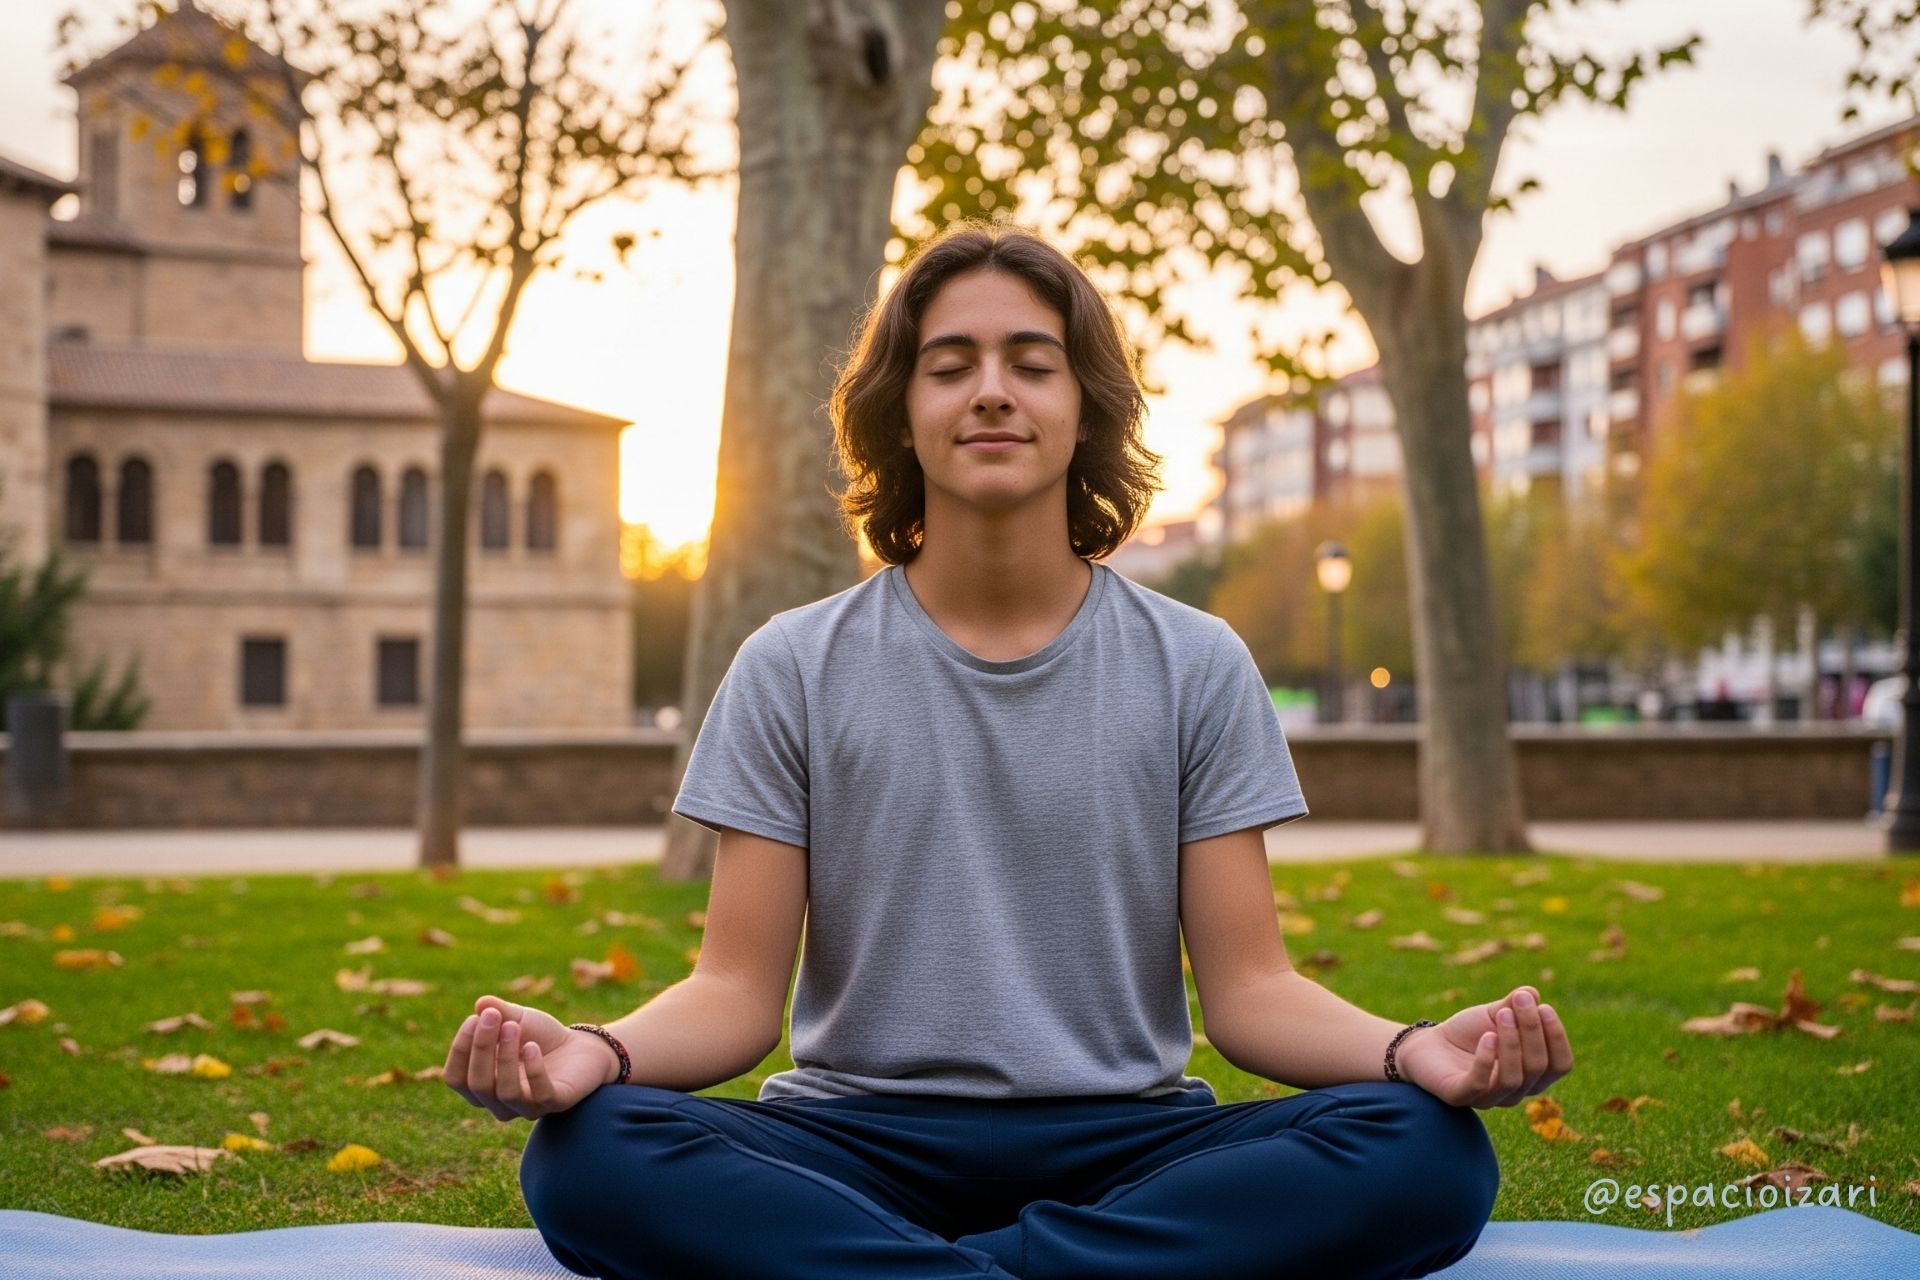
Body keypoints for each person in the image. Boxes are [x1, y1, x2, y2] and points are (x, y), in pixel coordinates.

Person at [444, 222, 1574, 1279]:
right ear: (901, 414)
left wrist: (1413, 1050)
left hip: (1129, 1144)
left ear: (1085, 411)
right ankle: (1067, 1268)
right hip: (852, 1141)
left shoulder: (1195, 661)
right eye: (950, 366)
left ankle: (922, 1269)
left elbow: (1251, 993)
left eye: (1032, 364)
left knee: (1429, 1151)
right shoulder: (791, 663)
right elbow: (735, 994)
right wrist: (594, 1050)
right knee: (586, 1153)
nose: (992, 390)